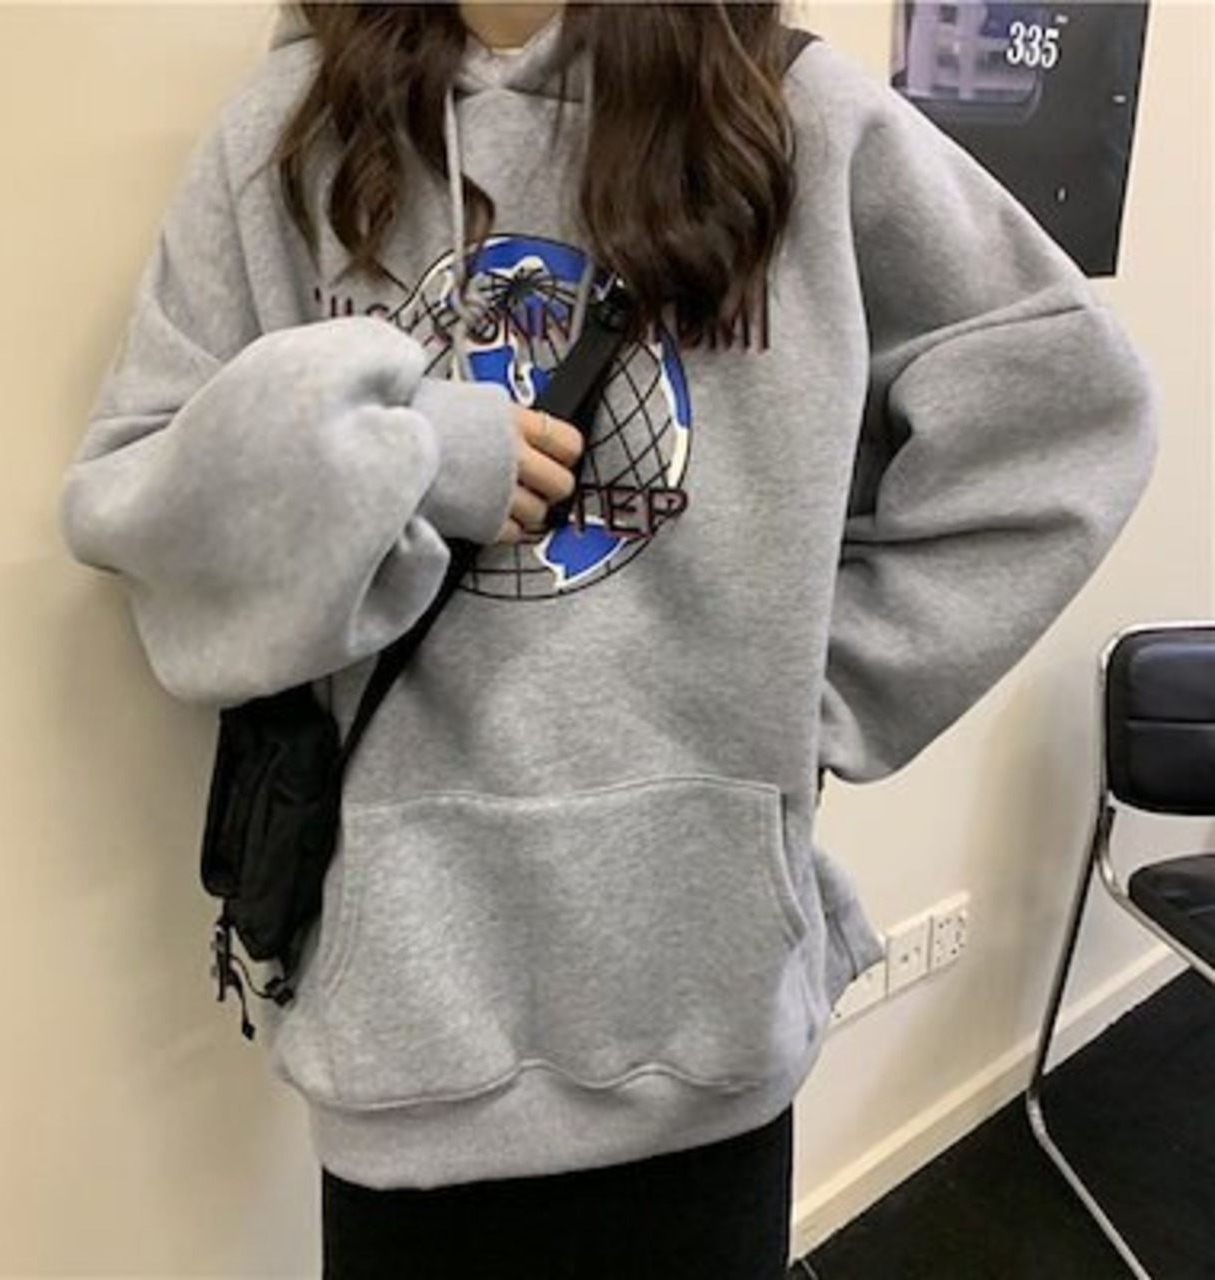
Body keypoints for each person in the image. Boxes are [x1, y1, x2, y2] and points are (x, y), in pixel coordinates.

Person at [59, 2, 1157, 1276]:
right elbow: (135, 503)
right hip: (408, 1019)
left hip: (701, 1008)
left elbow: (1069, 409)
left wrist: (816, 689)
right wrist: (420, 449)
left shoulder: (784, 117)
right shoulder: (292, 137)